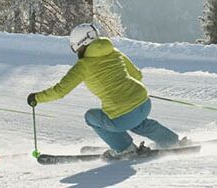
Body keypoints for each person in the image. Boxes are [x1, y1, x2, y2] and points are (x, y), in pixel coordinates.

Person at [27, 23, 183, 159]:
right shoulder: (114, 52)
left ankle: (125, 149)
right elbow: (137, 75)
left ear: (80, 44)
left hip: (124, 114)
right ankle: (171, 141)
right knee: (137, 122)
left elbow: (60, 91)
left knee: (91, 116)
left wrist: (37, 98)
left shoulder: (83, 66)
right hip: (144, 102)